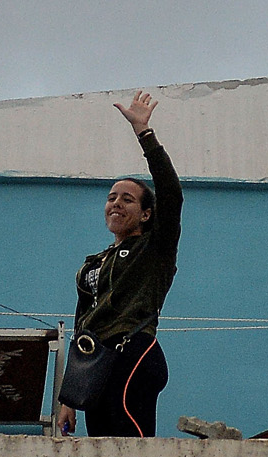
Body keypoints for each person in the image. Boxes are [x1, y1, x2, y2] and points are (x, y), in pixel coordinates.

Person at [55, 90, 181, 437]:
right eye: (111, 198)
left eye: (127, 199)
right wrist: (70, 396)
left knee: (130, 444)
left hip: (133, 353)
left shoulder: (154, 248)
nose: (116, 204)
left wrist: (144, 134)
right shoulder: (93, 264)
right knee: (101, 449)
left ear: (146, 213)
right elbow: (84, 325)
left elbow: (171, 194)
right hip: (96, 363)